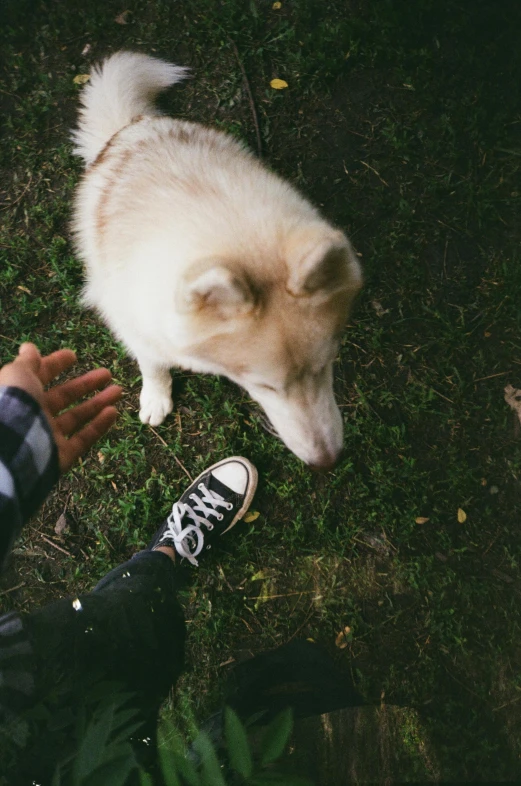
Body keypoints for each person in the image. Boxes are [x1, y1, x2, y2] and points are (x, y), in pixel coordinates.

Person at [0, 343, 258, 783]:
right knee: (136, 752)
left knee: (133, 625)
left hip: (18, 668)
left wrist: (14, 455)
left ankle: (166, 555)